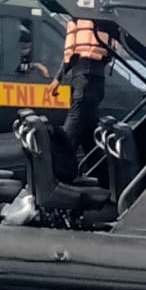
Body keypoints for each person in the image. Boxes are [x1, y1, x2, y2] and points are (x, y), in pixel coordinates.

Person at [47, 15, 118, 182]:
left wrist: (58, 77)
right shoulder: (90, 20)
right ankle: (104, 181)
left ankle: (55, 180)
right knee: (88, 134)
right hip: (85, 80)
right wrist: (58, 78)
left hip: (87, 81)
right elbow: (74, 54)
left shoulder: (98, 19)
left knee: (70, 132)